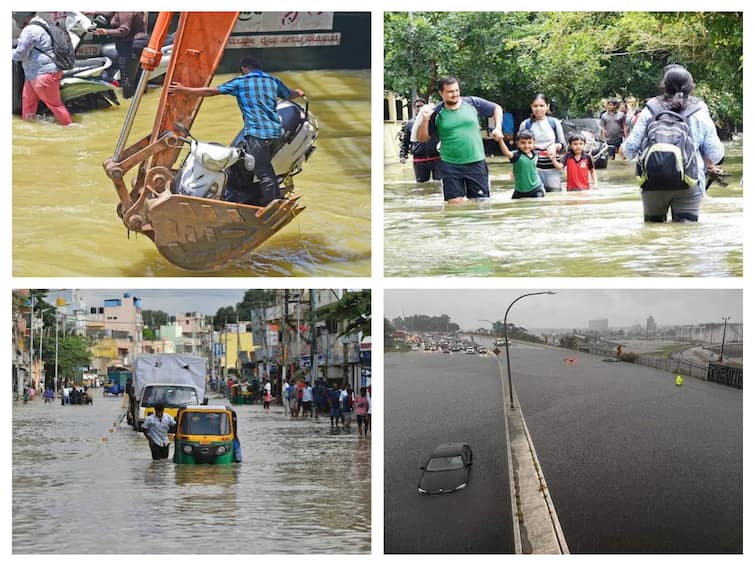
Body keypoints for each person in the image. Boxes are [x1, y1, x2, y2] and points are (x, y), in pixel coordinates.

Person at [168, 57, 305, 206]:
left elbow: (212, 91)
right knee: (265, 166)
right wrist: (298, 92)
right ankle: (273, 197)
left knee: (263, 171)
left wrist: (184, 90)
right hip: (276, 133)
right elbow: (290, 94)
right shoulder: (272, 80)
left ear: (244, 69)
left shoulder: (241, 82)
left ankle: (269, 205)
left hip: (257, 133)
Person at [623, 64, 724, 222]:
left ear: (664, 86)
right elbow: (716, 154)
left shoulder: (649, 110)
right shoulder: (699, 112)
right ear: (691, 87)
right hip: (689, 181)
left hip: (652, 183)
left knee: (654, 234)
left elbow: (629, 151)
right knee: (686, 235)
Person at [416, 76, 503, 203]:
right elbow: (422, 138)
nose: (455, 94)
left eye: (456, 90)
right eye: (450, 92)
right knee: (455, 206)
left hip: (476, 162)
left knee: (481, 204)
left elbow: (497, 108)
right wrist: (425, 120)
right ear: (441, 93)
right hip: (450, 165)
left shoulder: (473, 102)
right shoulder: (436, 112)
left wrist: (498, 127)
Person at [11, 12, 73, 126]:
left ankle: (71, 129)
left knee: (55, 105)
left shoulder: (29, 30)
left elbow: (20, 54)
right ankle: (30, 130)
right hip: (34, 75)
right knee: (28, 104)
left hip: (42, 74)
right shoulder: (44, 24)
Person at [92, 12, 147, 99]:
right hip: (135, 43)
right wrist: (93, 11)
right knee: (137, 77)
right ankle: (140, 102)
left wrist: (106, 31)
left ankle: (129, 103)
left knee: (127, 78)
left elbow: (125, 30)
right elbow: (110, 13)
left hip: (130, 45)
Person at [518, 93, 566, 192]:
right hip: (532, 168)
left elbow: (563, 145)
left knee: (554, 196)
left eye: (541, 106)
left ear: (547, 106)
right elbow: (520, 149)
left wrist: (555, 146)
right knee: (536, 196)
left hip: (552, 167)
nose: (538, 109)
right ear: (531, 107)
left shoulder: (554, 123)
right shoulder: (525, 124)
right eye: (535, 106)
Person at [400, 97, 442, 183]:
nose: (419, 108)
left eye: (421, 106)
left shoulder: (434, 120)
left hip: (436, 158)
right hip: (419, 159)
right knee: (421, 186)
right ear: (414, 108)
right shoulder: (410, 124)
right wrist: (402, 155)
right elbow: (405, 142)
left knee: (439, 183)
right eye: (417, 106)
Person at [498, 130, 547, 199]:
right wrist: (500, 140)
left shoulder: (536, 154)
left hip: (536, 189)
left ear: (534, 143)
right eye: (523, 143)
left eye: (529, 143)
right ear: (517, 143)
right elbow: (506, 153)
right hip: (519, 191)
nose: (526, 145)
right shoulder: (516, 155)